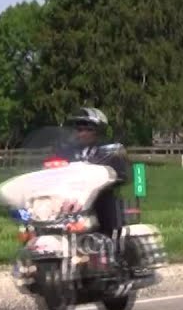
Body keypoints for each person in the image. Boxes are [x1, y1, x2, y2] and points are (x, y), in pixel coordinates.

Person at [56, 106, 136, 272]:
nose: (82, 132)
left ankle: (111, 254)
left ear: (98, 131)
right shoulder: (66, 152)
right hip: (71, 200)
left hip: (99, 198)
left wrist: (114, 176)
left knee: (105, 203)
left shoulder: (109, 151)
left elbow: (122, 172)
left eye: (88, 129)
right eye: (79, 128)